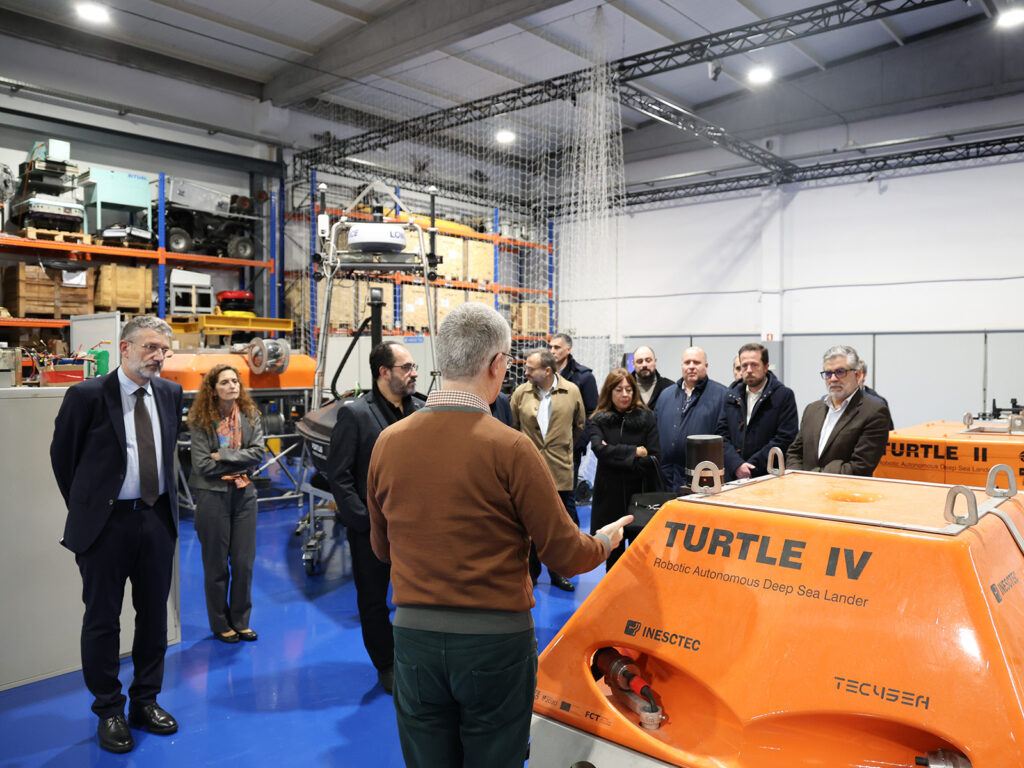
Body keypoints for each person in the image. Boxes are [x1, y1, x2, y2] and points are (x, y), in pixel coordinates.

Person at [365, 302, 631, 768]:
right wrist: (605, 541)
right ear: (495, 364)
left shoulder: (388, 442)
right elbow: (566, 555)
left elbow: (381, 548)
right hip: (493, 645)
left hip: (414, 640)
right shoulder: (511, 447)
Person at [50, 316, 183, 754]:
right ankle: (109, 709)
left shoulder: (170, 393)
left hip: (156, 520)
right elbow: (64, 459)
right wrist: (93, 509)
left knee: (154, 617)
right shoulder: (87, 396)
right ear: (124, 348)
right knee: (103, 620)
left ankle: (146, 701)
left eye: (163, 349)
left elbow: (166, 454)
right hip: (107, 526)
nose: (158, 356)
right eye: (149, 347)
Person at [328, 341, 422, 694]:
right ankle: (386, 663)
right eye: (407, 367)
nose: (414, 373)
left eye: (413, 367)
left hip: (416, 529)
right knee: (373, 600)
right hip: (372, 530)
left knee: (418, 598)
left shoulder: (422, 410)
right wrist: (364, 522)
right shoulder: (355, 415)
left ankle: (416, 658)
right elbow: (339, 476)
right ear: (384, 372)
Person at [187, 364, 265, 644]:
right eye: (224, 382)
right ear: (213, 389)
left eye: (235, 381)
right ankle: (221, 624)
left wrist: (222, 455)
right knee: (216, 565)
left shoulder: (250, 416)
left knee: (244, 563)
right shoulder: (201, 421)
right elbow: (201, 465)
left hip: (244, 495)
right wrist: (238, 459)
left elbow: (258, 453)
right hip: (213, 496)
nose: (232, 386)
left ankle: (241, 621)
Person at [510, 348, 585, 592]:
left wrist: (562, 448)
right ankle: (530, 574)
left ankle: (558, 573)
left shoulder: (571, 391)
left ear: (548, 371)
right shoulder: (521, 393)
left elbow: (579, 425)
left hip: (560, 470)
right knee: (528, 525)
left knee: (559, 527)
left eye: (531, 368)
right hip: (528, 471)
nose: (526, 372)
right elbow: (513, 427)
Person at [588, 368, 661, 569]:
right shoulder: (598, 419)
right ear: (609, 391)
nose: (625, 394)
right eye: (619, 390)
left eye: (629, 389)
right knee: (613, 561)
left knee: (643, 559)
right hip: (609, 498)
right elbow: (599, 450)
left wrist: (613, 455)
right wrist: (634, 452)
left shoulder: (647, 417)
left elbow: (654, 457)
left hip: (640, 495)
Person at [786, 345, 892, 475]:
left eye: (840, 372)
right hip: (804, 486)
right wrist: (798, 477)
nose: (833, 379)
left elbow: (860, 466)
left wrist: (812, 476)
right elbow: (795, 452)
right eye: (828, 373)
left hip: (843, 487)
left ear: (858, 375)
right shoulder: (812, 410)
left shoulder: (874, 412)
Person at [716, 343, 798, 481]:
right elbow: (721, 435)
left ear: (766, 367)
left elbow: (785, 438)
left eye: (754, 365)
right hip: (734, 476)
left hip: (768, 476)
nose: (749, 370)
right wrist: (737, 465)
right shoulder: (730, 395)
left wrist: (751, 467)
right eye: (744, 365)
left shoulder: (783, 396)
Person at [654, 346, 728, 491]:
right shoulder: (665, 395)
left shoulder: (722, 395)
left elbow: (726, 438)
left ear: (706, 365)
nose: (691, 367)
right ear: (682, 366)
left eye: (696, 362)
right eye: (687, 362)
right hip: (666, 478)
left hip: (702, 480)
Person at [550, 332, 598, 494]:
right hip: (546, 446)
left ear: (568, 349)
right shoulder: (546, 375)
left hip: (570, 449)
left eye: (557, 347)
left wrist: (577, 443)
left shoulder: (584, 377)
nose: (552, 351)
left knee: (567, 496)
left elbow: (592, 413)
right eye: (550, 347)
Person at [631, 345, 674, 409]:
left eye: (648, 360)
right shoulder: (626, 388)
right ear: (633, 364)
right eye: (640, 361)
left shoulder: (670, 388)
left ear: (655, 361)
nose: (644, 365)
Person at [859, 360, 894, 430]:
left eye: (856, 374)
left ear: (863, 376)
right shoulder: (838, 400)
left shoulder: (878, 402)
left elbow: (887, 432)